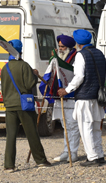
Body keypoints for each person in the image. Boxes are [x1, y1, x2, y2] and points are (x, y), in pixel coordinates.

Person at [58, 30, 106, 167]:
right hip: (98, 96)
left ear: (78, 43)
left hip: (85, 96)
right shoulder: (100, 53)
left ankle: (92, 157)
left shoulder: (81, 55)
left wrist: (66, 90)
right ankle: (100, 154)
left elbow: (79, 77)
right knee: (96, 127)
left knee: (86, 128)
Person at [1, 39, 50, 172]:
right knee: (32, 133)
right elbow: (29, 84)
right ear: (20, 51)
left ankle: (9, 165)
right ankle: (40, 160)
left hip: (9, 106)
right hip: (24, 105)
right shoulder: (24, 66)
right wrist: (34, 75)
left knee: (10, 135)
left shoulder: (5, 68)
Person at [39, 34, 79, 162]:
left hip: (71, 97)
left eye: (62, 47)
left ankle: (73, 153)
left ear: (68, 47)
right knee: (64, 125)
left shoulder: (76, 58)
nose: (60, 49)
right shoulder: (58, 58)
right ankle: (66, 151)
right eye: (59, 46)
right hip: (60, 96)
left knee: (72, 126)